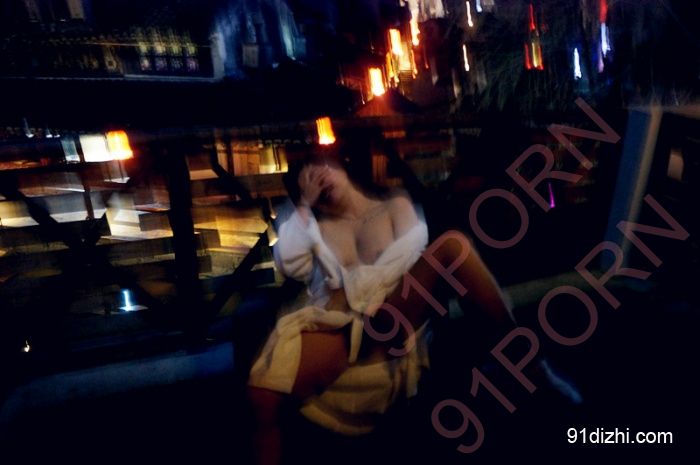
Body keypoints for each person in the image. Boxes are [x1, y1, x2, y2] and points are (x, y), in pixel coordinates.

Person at [247, 148, 514, 465]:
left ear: (341, 164)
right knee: (260, 396)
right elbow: (290, 263)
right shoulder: (314, 228)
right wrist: (304, 205)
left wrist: (359, 291)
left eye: (320, 165)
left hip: (393, 311)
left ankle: (528, 361)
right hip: (340, 323)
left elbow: (412, 260)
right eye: (306, 179)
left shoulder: (394, 204)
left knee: (454, 246)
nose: (317, 177)